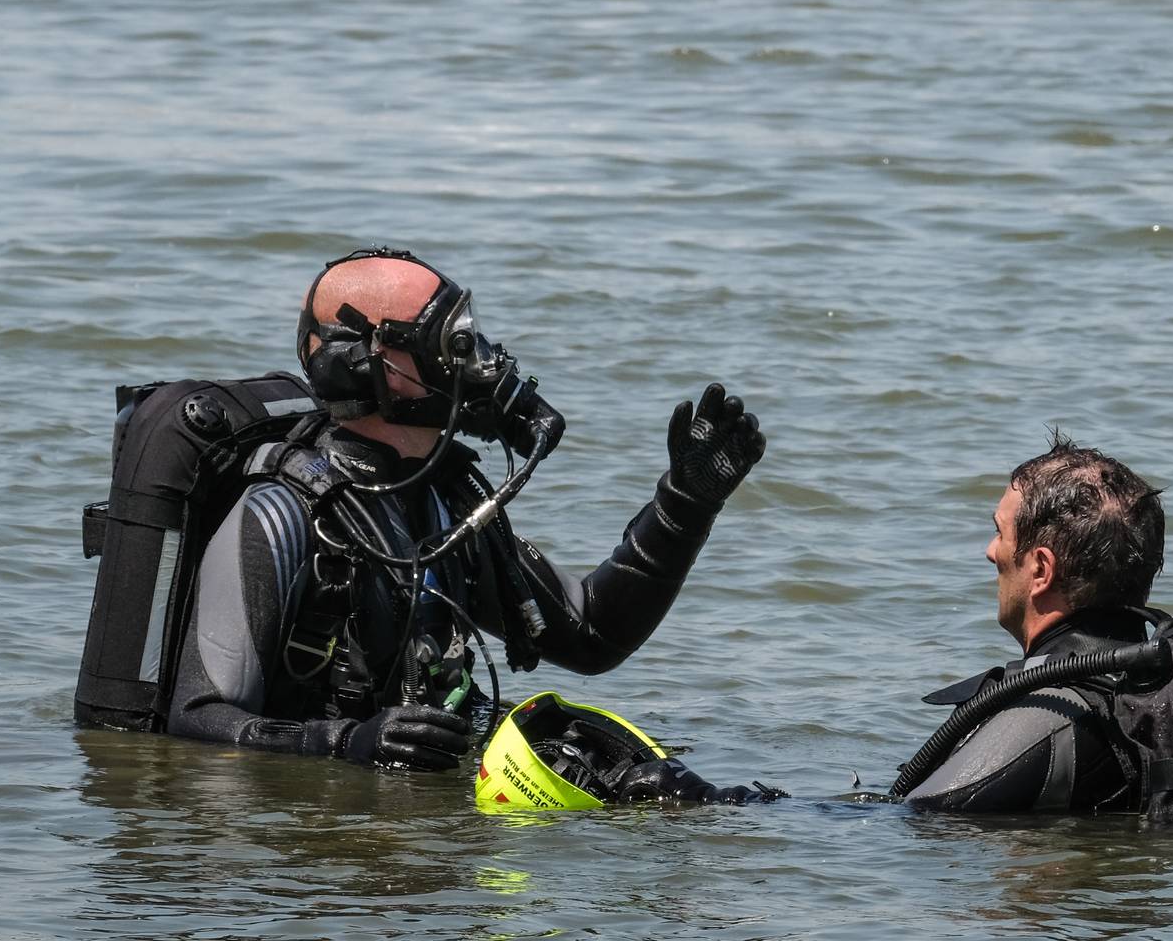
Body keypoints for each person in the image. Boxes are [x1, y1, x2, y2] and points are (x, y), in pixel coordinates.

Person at [165, 248, 767, 774]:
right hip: (322, 862)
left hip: (424, 823)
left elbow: (590, 635)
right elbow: (195, 721)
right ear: (369, 362)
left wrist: (685, 504)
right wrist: (342, 743)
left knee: (664, 783)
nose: (481, 363)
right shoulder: (279, 513)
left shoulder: (447, 498)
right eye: (451, 343)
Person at [899, 432, 1166, 813]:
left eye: (1000, 533)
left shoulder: (1054, 715)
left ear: (1041, 569)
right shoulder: (1150, 688)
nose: (991, 552)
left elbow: (926, 816)